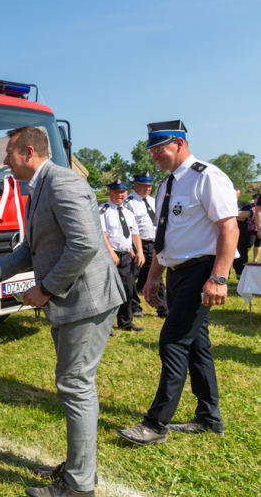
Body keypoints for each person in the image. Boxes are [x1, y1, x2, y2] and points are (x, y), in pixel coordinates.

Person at [0, 126, 124, 497]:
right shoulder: (40, 187)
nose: (4, 162)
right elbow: (33, 248)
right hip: (73, 301)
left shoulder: (61, 183)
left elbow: (84, 245)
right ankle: (79, 468)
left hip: (86, 300)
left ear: (29, 152)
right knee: (75, 386)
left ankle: (77, 485)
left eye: (9, 154)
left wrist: (44, 290)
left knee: (75, 386)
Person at [117, 120, 237, 446]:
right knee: (197, 345)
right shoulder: (165, 186)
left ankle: (155, 424)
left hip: (202, 272)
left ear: (180, 144)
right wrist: (154, 278)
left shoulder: (207, 176)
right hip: (177, 273)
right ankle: (208, 418)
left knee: (172, 340)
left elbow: (229, 228)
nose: (154, 154)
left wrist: (219, 278)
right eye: (151, 149)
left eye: (160, 147)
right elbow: (166, 237)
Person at [99, 180, 145, 332]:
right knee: (108, 291)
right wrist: (111, 252)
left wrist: (140, 251)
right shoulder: (103, 211)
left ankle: (125, 322)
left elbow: (135, 233)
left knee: (127, 289)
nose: (119, 195)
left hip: (125, 256)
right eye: (116, 191)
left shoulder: (129, 213)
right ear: (110, 192)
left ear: (126, 193)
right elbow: (102, 234)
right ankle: (106, 326)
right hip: (109, 256)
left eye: (122, 192)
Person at [126, 172, 169, 318]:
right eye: (144, 186)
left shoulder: (154, 200)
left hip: (154, 243)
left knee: (157, 276)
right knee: (132, 276)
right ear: (136, 185)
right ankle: (134, 307)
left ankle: (163, 308)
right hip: (137, 244)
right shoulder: (128, 202)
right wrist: (132, 248)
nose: (147, 189)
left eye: (149, 186)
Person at [233, 184, 253, 278]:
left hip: (242, 234)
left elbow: (246, 214)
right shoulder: (225, 203)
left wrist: (229, 215)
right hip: (226, 233)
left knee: (242, 256)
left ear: (239, 193)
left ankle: (241, 277)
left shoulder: (245, 203)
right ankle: (225, 276)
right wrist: (238, 215)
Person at [251, 193, 261, 261]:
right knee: (250, 243)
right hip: (251, 228)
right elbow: (258, 212)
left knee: (257, 244)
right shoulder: (250, 206)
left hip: (257, 227)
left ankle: (255, 260)